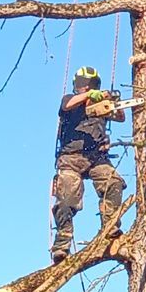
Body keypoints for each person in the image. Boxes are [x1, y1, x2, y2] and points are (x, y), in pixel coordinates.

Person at [50, 65, 127, 261]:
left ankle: (110, 227)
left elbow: (121, 116)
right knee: (67, 199)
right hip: (70, 158)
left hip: (96, 157)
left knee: (113, 182)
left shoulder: (99, 106)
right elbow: (67, 105)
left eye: (89, 85)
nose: (85, 88)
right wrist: (89, 96)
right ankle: (62, 243)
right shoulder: (70, 100)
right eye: (85, 85)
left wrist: (109, 102)